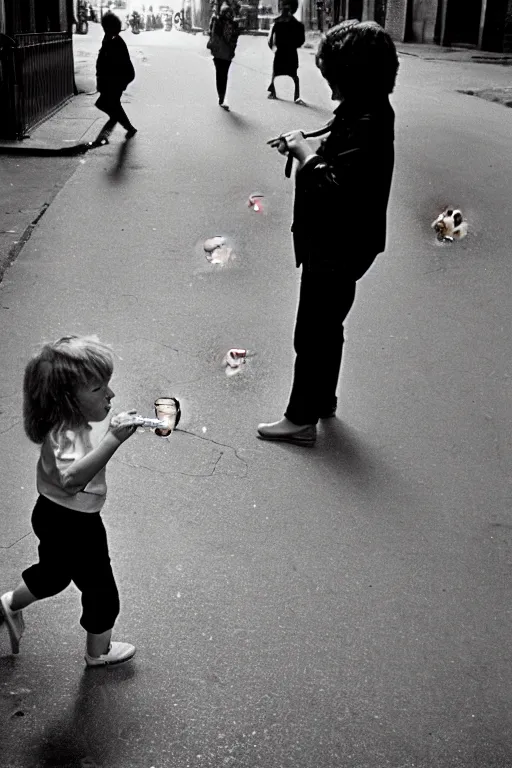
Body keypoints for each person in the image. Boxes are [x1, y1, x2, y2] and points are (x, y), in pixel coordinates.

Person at [258, 20, 399, 446]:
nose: (330, 90)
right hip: (348, 241)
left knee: (312, 331)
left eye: (333, 79)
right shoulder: (368, 110)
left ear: (353, 76)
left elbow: (340, 187)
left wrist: (305, 153)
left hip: (337, 242)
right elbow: (347, 162)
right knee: (329, 325)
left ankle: (301, 419)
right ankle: (322, 399)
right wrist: (306, 145)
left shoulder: (368, 119)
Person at [0, 335, 142, 666]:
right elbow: (72, 479)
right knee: (103, 595)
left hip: (51, 515)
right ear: (66, 400)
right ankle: (98, 653)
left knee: (53, 574)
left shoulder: (68, 420)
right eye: (98, 389)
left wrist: (111, 423)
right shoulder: (66, 435)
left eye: (107, 384)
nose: (111, 394)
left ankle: (8, 604)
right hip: (75, 524)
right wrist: (113, 440)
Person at [91, 12, 136, 147]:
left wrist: (106, 82)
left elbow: (113, 64)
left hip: (118, 78)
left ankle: (107, 134)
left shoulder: (115, 41)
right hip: (115, 79)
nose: (104, 29)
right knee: (112, 105)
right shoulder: (110, 39)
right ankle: (127, 128)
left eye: (105, 27)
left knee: (106, 104)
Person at [267, 0, 305, 104]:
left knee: (285, 73)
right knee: (286, 74)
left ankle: (275, 92)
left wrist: (273, 47)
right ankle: (275, 91)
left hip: (285, 51)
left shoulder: (280, 23)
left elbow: (270, 40)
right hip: (288, 51)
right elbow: (301, 40)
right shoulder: (296, 24)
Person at [207, 2, 239, 111]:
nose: (230, 15)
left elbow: (234, 39)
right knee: (222, 75)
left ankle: (221, 98)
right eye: (228, 13)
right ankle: (221, 98)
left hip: (222, 54)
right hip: (222, 54)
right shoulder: (221, 22)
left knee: (221, 75)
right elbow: (214, 35)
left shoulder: (221, 22)